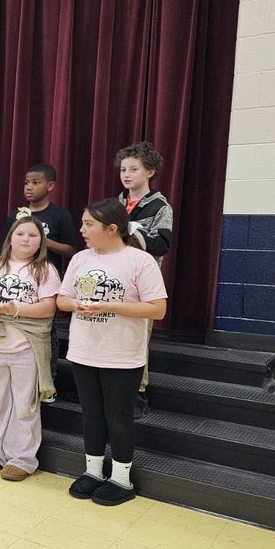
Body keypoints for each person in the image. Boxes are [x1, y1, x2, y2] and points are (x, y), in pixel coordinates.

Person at [58, 198, 167, 506]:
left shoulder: (139, 261)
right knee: (91, 415)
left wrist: (109, 306)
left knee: (118, 418)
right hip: (84, 351)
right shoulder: (80, 259)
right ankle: (93, 472)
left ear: (112, 228)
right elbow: (62, 299)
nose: (81, 230)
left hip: (121, 355)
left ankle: (121, 478)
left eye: (88, 224)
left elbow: (157, 309)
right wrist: (76, 305)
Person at [0, 216, 60, 480]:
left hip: (26, 346)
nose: (26, 240)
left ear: (41, 241)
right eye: (21, 234)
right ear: (10, 237)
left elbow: (49, 307)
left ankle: (24, 458)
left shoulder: (45, 270)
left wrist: (15, 309)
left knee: (25, 404)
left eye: (32, 235)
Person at [1, 163, 78, 402]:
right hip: (16, 280)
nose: (29, 187)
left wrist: (41, 240)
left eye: (35, 182)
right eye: (26, 182)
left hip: (45, 280)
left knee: (47, 331)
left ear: (50, 185)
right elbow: (6, 245)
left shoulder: (59, 215)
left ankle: (47, 380)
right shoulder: (16, 215)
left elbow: (70, 248)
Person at [116, 141, 173, 416]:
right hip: (116, 279)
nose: (126, 174)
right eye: (124, 169)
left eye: (134, 169)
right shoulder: (117, 203)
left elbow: (162, 244)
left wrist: (134, 231)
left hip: (142, 283)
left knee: (138, 337)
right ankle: (112, 387)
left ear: (150, 171)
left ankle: (138, 392)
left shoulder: (160, 206)